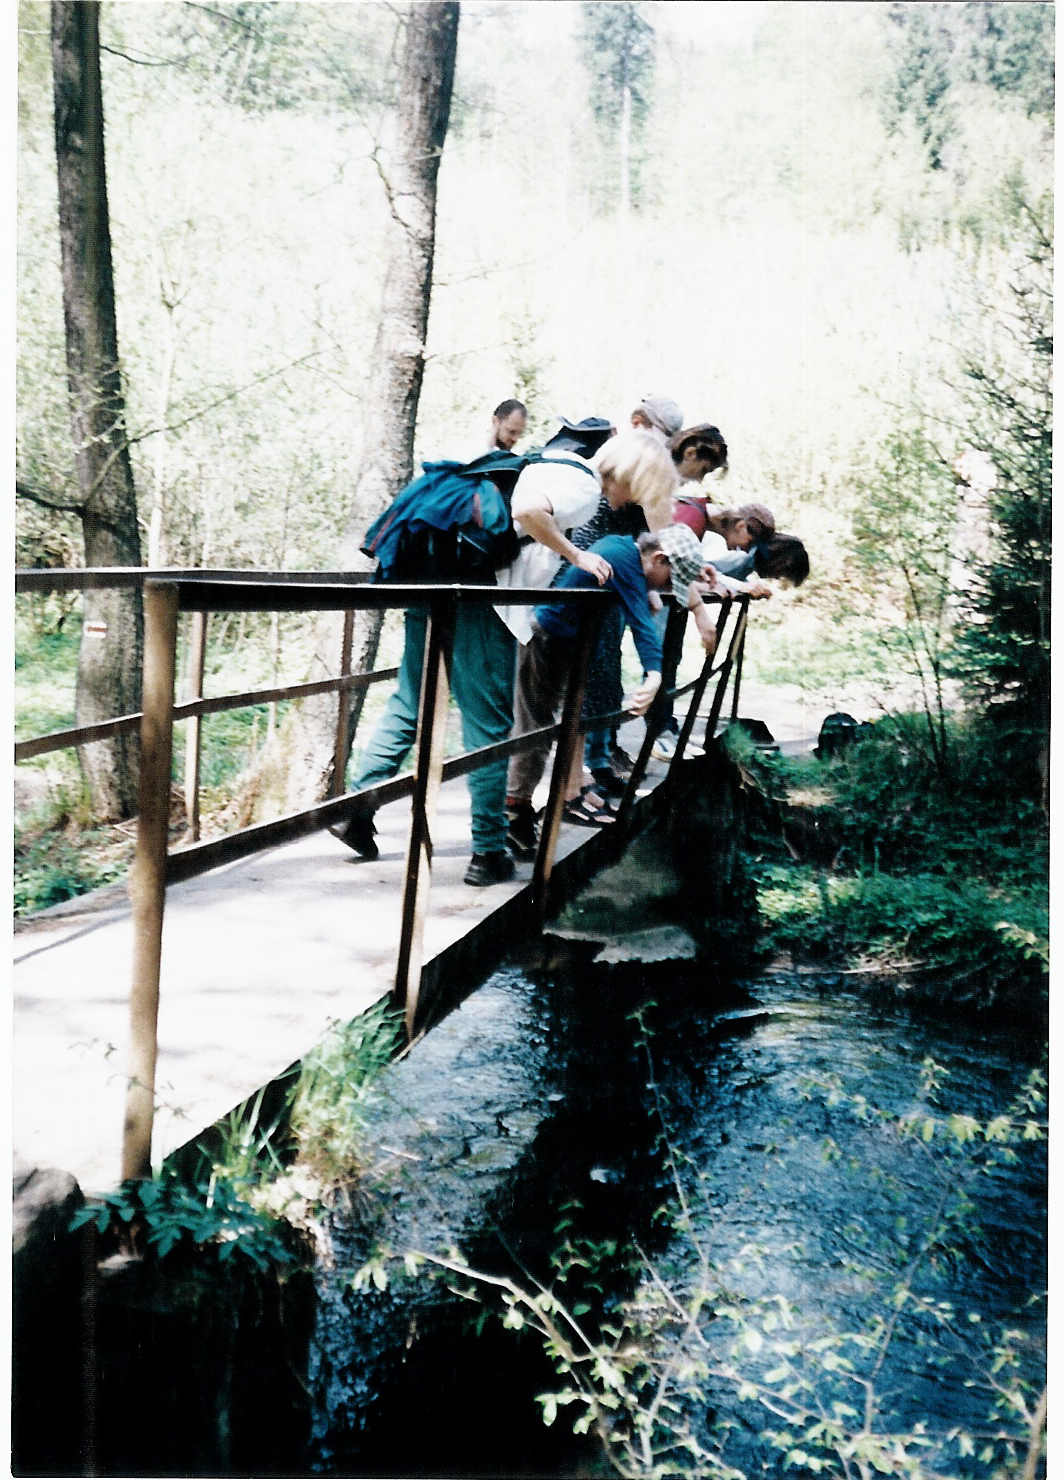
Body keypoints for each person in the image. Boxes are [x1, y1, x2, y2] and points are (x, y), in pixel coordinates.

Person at [332, 425, 677, 886]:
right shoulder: (583, 486)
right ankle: (488, 851)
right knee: (490, 726)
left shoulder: (551, 463)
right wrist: (576, 555)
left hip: (435, 580)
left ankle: (355, 811)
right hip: (481, 601)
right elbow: (528, 511)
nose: (636, 503)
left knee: (410, 704)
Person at [506, 524, 714, 851]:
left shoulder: (623, 549)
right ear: (659, 558)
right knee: (536, 730)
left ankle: (554, 799)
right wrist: (654, 675)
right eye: (669, 579)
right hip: (546, 640)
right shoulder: (625, 561)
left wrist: (646, 591)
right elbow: (642, 626)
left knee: (561, 724)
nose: (664, 587)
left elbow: (636, 600)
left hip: (565, 643)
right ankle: (514, 813)